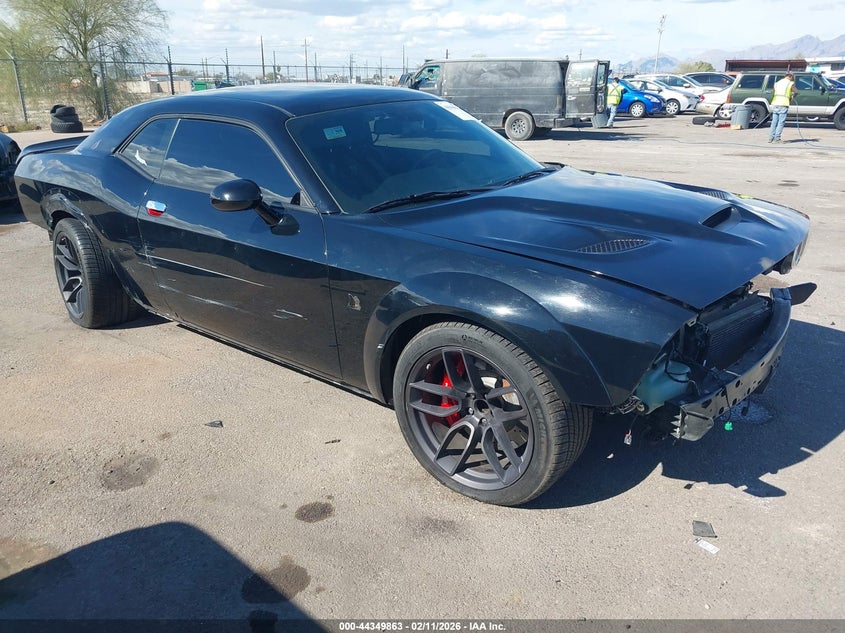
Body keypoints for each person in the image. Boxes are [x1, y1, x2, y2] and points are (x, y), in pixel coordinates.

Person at [768, 72, 797, 143]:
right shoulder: (790, 83)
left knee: (774, 122)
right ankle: (777, 139)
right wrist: (792, 97)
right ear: (790, 76)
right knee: (781, 122)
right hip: (783, 104)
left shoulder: (777, 83)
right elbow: (796, 91)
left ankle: (770, 138)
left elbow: (775, 92)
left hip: (775, 103)